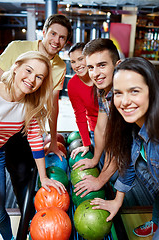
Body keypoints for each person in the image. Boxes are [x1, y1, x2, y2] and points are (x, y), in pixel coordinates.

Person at [0, 14, 72, 211]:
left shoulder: (59, 66)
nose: (56, 41)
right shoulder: (17, 48)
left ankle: (28, 216)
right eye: (53, 33)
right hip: (6, 114)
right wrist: (12, 103)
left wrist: (54, 139)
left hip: (23, 122)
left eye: (62, 37)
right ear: (44, 32)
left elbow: (53, 104)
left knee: (23, 172)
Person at [0, 51, 66, 240]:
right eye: (28, 70)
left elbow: (35, 141)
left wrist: (43, 178)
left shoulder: (30, 105)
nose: (31, 79)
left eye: (39, 77)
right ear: (15, 67)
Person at [90, 57, 159, 239]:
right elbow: (127, 162)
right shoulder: (133, 126)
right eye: (118, 93)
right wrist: (117, 200)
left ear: (152, 92)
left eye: (134, 91)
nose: (124, 101)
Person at [72, 38, 120, 198]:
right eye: (91, 67)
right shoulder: (103, 91)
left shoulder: (122, 95)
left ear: (117, 65)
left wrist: (100, 180)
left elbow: (119, 147)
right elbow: (100, 128)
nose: (95, 73)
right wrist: (94, 160)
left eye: (102, 65)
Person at [67, 42, 99, 158]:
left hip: (114, 128)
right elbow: (80, 116)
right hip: (95, 130)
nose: (77, 65)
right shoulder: (73, 84)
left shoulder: (100, 76)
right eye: (73, 62)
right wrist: (86, 144)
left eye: (81, 59)